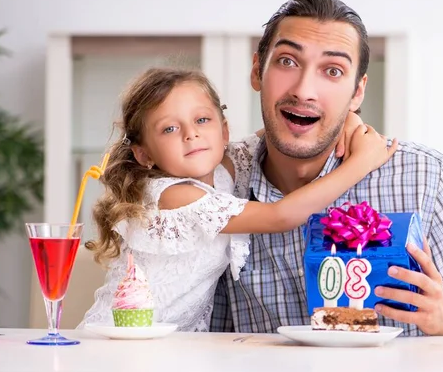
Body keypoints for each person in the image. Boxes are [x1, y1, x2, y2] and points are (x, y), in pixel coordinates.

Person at [210, 0, 443, 337]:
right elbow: (205, 337)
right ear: (256, 71)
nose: (304, 90)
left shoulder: (429, 179)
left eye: (333, 70)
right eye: (287, 62)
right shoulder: (217, 187)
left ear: (357, 93)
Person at [78, 67, 397, 331]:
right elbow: (280, 216)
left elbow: (286, 133)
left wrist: (345, 120)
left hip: (170, 347)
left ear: (224, 130)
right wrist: (361, 164)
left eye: (202, 120)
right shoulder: (173, 196)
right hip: (122, 342)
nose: (192, 134)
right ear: (144, 153)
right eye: (170, 128)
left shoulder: (223, 169)